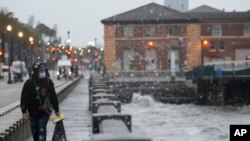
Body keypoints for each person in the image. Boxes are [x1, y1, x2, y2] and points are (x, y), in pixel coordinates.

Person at [20, 62, 60, 141]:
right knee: (35, 134)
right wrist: (24, 111)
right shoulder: (29, 83)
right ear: (36, 72)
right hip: (33, 113)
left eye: (44, 71)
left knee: (42, 128)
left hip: (44, 112)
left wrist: (57, 110)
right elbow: (24, 98)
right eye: (41, 71)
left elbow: (53, 97)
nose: (43, 73)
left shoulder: (48, 82)